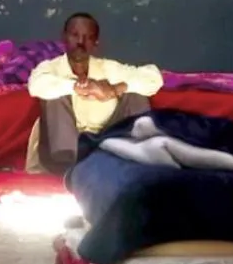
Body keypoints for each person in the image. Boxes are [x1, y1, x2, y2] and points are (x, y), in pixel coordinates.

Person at [28, 12, 163, 174]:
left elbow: (154, 78)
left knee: (135, 92)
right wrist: (80, 87)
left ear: (96, 43)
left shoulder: (108, 68)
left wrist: (115, 89)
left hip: (106, 142)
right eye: (75, 35)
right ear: (64, 38)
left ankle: (137, 158)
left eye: (88, 37)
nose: (80, 42)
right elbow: (36, 86)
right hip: (63, 153)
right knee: (53, 94)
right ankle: (70, 168)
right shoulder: (50, 68)